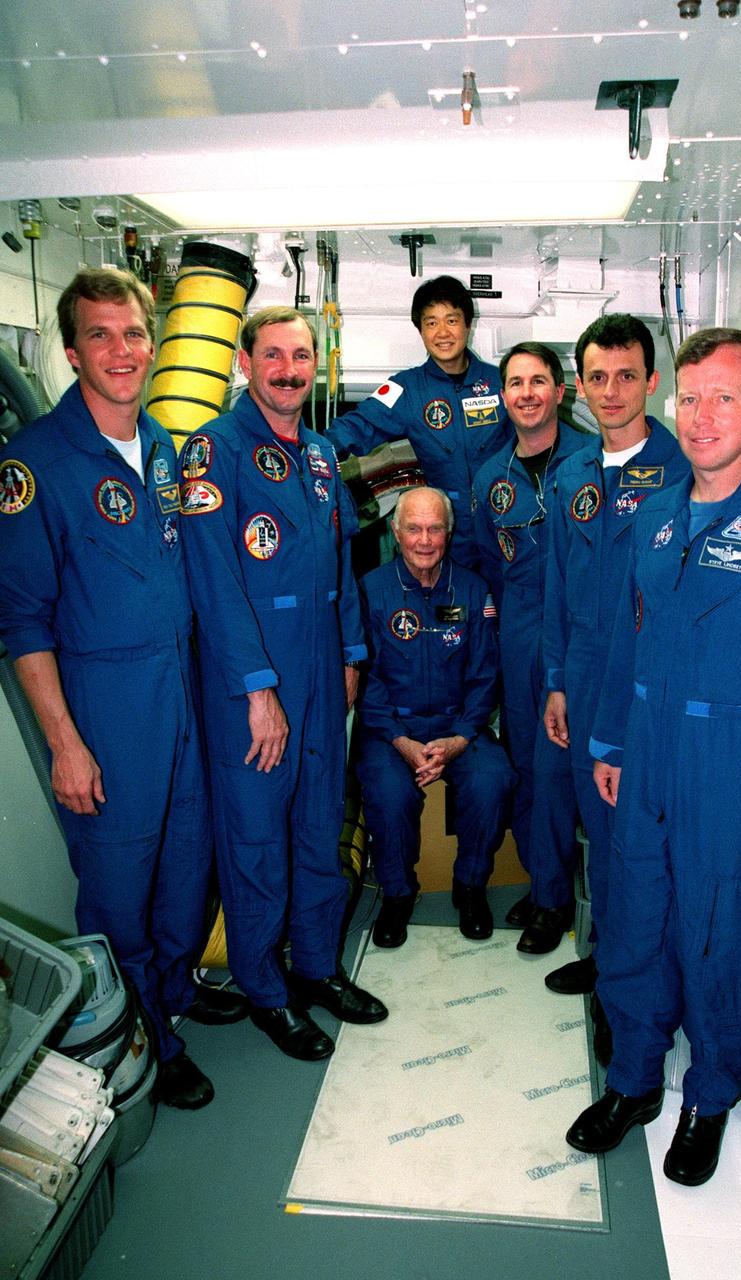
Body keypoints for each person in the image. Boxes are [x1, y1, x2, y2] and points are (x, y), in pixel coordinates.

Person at [566, 328, 741, 1186]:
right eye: (688, 398)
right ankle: (633, 1081)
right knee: (631, 923)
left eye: (723, 397)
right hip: (647, 748)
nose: (700, 417)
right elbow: (628, 635)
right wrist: (612, 738)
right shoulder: (654, 513)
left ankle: (709, 1096)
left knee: (719, 939)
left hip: (733, 762)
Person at [0, 267, 246, 1111]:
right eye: (100, 335)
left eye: (134, 333)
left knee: (187, 865)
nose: (120, 350)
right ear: (70, 351)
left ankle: (173, 988)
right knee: (117, 887)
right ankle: (146, 1032)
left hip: (179, 686)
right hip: (105, 703)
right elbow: (24, 622)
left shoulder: (169, 450)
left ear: (155, 344)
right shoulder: (33, 463)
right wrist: (67, 744)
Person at [178, 306, 387, 1063]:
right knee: (258, 839)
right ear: (244, 362)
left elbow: (340, 565)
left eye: (301, 357)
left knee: (317, 827)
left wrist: (351, 654)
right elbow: (215, 583)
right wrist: (258, 691)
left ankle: (317, 968)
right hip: (252, 677)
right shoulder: (214, 452)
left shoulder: (324, 456)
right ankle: (266, 989)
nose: (290, 371)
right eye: (274, 356)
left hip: (321, 666)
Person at [542, 315, 689, 1011]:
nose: (610, 391)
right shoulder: (569, 472)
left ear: (651, 382)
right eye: (596, 377)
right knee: (597, 836)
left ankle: (631, 992)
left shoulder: (684, 470)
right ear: (578, 386)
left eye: (626, 376)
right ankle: (606, 962)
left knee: (640, 848)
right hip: (582, 672)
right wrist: (554, 682)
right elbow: (553, 584)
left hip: (649, 688)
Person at [356, 487, 514, 947]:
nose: (424, 540)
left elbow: (486, 673)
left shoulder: (471, 589)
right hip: (391, 730)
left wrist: (462, 738)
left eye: (435, 528)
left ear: (448, 531)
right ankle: (397, 895)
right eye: (414, 529)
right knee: (388, 793)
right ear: (395, 530)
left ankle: (470, 886)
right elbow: (365, 678)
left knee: (493, 780)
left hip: (458, 725)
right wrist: (399, 740)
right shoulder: (371, 591)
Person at [472, 343, 584, 954]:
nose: (526, 392)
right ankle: (547, 881)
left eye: (538, 380)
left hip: (579, 634)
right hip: (519, 637)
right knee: (524, 768)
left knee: (556, 769)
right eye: (514, 382)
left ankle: (553, 900)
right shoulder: (491, 478)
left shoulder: (592, 464)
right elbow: (491, 562)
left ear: (559, 391)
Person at [327, 276, 508, 567]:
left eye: (451, 320)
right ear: (421, 331)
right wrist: (308, 451)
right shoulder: (406, 389)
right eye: (431, 323)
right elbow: (356, 426)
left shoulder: (500, 381)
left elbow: (540, 433)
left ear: (467, 325)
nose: (442, 333)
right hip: (446, 535)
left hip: (505, 524)